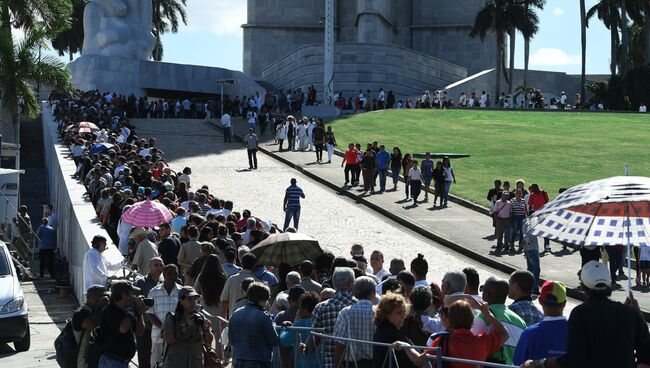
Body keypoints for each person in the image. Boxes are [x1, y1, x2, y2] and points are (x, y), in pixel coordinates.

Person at [526, 261, 650, 368]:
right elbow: (646, 348)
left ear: (584, 287)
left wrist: (542, 363)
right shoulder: (628, 312)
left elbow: (575, 360)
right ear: (608, 284)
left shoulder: (580, 314)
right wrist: (637, 314)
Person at [473, 276, 527, 365]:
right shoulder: (521, 322)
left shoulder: (484, 315)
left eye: (483, 290)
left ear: (487, 294)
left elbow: (471, 343)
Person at [513, 281, 568, 365]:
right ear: (564, 303)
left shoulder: (530, 333)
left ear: (540, 301)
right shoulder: (578, 332)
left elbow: (517, 363)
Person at [311, 267, 356, 368]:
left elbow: (315, 338)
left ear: (334, 284)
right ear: (350, 283)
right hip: (354, 363)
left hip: (329, 363)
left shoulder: (321, 307)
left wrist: (305, 350)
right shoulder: (358, 304)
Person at [97, 280, 147, 368]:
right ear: (124, 295)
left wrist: (139, 313)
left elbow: (140, 332)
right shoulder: (110, 311)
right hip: (111, 362)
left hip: (123, 363)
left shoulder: (127, 312)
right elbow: (123, 328)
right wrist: (132, 309)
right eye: (132, 294)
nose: (134, 297)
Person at [228, 282, 279, 367]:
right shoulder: (263, 316)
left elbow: (232, 340)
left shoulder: (235, 313)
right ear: (263, 299)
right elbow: (274, 340)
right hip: (259, 361)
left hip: (239, 359)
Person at [161, 286, 213, 368]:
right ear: (181, 301)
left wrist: (207, 330)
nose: (193, 302)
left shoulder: (200, 318)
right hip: (176, 363)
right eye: (189, 299)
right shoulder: (172, 318)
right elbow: (169, 339)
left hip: (195, 363)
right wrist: (186, 326)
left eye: (195, 299)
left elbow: (208, 342)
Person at [332, 276, 377, 368]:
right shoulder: (378, 313)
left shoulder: (346, 313)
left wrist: (336, 365)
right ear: (373, 293)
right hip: (375, 362)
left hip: (353, 363)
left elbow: (339, 344)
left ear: (354, 292)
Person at [147, 264, 181, 368]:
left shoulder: (182, 292)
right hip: (158, 337)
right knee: (156, 365)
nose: (172, 276)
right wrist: (164, 327)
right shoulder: (153, 292)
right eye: (169, 274)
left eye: (175, 274)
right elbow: (150, 313)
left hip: (177, 337)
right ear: (164, 275)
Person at [134, 257, 164, 368]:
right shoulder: (141, 282)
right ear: (149, 267)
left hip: (161, 327)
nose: (159, 268)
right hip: (145, 328)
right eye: (156, 265)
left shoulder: (165, 283)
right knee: (144, 359)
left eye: (161, 265)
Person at [372, 293, 417, 368]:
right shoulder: (388, 334)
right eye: (399, 313)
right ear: (386, 314)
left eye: (404, 312)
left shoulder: (386, 330)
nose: (403, 316)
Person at [279, 292, 321, 368]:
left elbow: (285, 341)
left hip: (303, 364)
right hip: (319, 364)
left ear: (305, 308)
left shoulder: (299, 323)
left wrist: (283, 329)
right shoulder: (319, 322)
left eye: (300, 306)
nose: (299, 309)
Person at [73, 285, 110, 368]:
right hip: (85, 359)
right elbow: (94, 326)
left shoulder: (96, 311)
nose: (106, 299)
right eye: (103, 296)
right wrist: (100, 306)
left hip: (97, 357)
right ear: (93, 297)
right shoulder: (80, 313)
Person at [220, 253, 260, 320]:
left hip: (233, 319)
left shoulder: (232, 279)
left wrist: (223, 318)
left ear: (241, 263)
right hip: (252, 320)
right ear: (254, 265)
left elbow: (225, 301)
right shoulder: (258, 281)